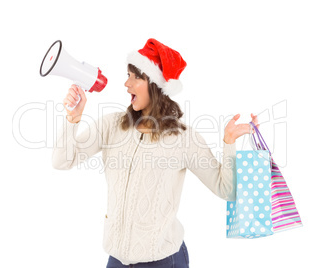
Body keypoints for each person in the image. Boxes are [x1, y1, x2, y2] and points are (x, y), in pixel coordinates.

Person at [52, 38, 259, 268]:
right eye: (127, 75)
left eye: (135, 76)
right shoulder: (112, 126)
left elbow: (226, 189)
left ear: (156, 85)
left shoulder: (183, 139)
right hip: (117, 260)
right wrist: (73, 118)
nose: (126, 84)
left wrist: (228, 142)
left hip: (162, 261)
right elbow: (62, 160)